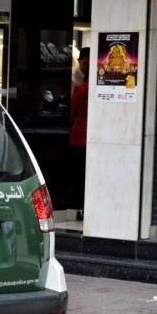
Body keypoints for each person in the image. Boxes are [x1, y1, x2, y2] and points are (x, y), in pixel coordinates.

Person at [68, 48, 90, 221]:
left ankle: (79, 207)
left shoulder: (81, 90)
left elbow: (73, 111)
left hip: (79, 135)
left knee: (78, 174)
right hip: (94, 137)